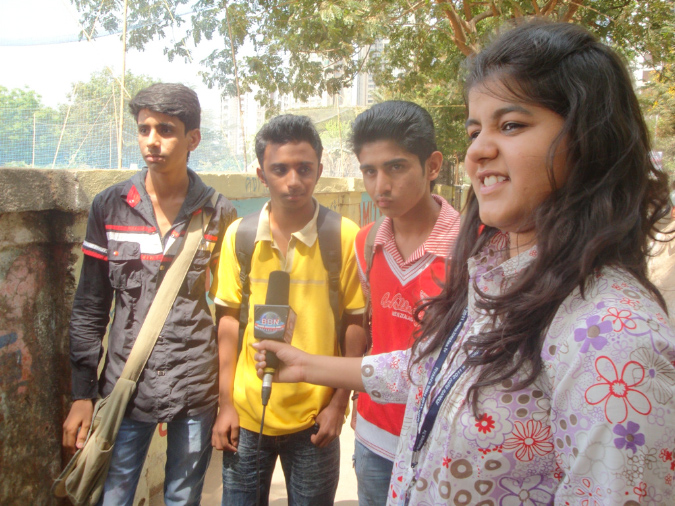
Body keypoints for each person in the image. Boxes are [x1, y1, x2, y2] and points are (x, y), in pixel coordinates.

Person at [253, 21, 675, 505]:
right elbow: (434, 371)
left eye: (511, 125)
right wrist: (308, 365)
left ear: (589, 138)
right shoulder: (492, 271)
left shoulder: (612, 337)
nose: (478, 151)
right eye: (475, 131)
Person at [61, 83, 237, 505]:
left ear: (193, 138)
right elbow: (90, 307)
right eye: (144, 129)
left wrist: (230, 399)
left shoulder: (218, 213)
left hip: (195, 384)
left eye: (166, 130)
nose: (152, 141)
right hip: (125, 386)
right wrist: (82, 395)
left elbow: (231, 310)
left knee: (182, 496)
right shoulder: (110, 207)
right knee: (113, 495)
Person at [210, 114, 366, 505]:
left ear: (320, 170)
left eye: (304, 168)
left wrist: (338, 404)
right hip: (247, 417)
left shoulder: (343, 236)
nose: (293, 181)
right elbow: (228, 322)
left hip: (316, 419)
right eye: (279, 169)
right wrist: (225, 404)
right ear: (261, 175)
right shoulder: (240, 236)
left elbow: (356, 322)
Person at [350, 101, 461, 505]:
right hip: (374, 435)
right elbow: (373, 328)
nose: (380, 186)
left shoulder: (473, 247)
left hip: (442, 440)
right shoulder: (365, 243)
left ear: (432, 166)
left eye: (395, 167)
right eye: (369, 171)